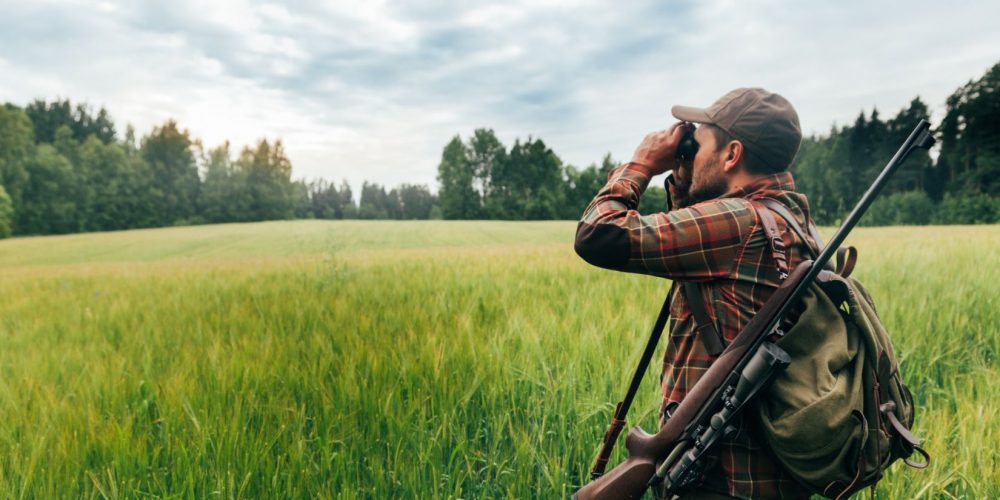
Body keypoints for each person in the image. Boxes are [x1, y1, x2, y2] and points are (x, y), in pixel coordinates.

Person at [574, 88, 816, 499]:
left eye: (697, 142)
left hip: (717, 477)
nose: (687, 150)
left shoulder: (737, 223)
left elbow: (597, 234)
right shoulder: (792, 220)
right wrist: (686, 178)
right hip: (769, 475)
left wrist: (641, 164)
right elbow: (691, 229)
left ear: (731, 154)